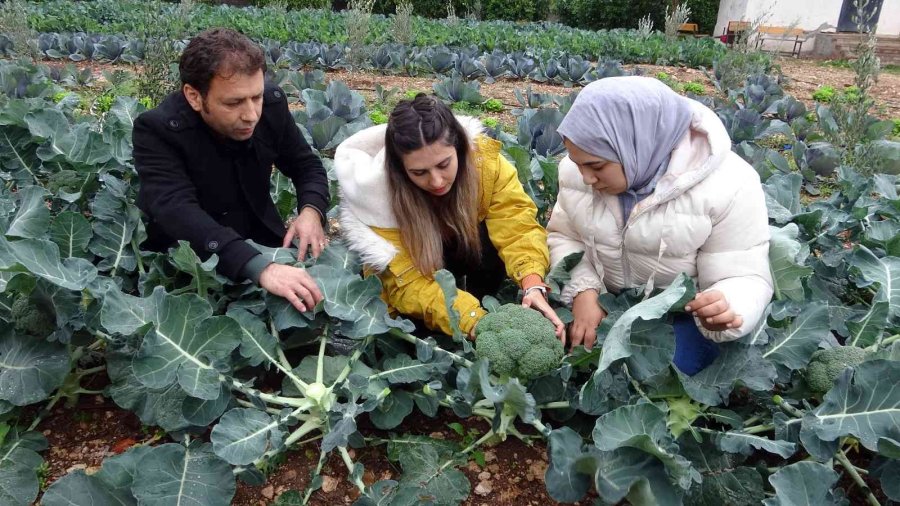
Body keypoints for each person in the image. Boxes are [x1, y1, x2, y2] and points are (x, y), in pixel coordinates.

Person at [547, 76, 773, 375]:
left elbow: (743, 272)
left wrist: (728, 306)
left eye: (597, 166)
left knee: (657, 376)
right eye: (578, 164)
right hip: (604, 299)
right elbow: (565, 237)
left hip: (678, 315)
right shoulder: (575, 174)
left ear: (636, 146)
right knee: (565, 362)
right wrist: (583, 292)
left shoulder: (731, 184)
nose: (586, 177)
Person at [132, 28, 328, 313]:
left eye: (256, 97)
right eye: (233, 103)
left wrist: (311, 210)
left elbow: (305, 164)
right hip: (187, 263)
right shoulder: (158, 130)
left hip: (262, 239)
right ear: (194, 96)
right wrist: (261, 268)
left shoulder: (271, 106)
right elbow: (177, 210)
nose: (251, 114)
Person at [334, 94, 564, 338]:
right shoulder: (378, 197)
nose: (436, 181)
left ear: (461, 147)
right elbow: (409, 284)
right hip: (414, 277)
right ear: (400, 170)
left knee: (493, 237)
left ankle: (481, 295)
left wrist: (532, 284)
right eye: (419, 172)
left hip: (462, 249)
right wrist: (473, 320)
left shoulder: (485, 166)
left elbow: (516, 226)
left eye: (444, 165)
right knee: (414, 325)